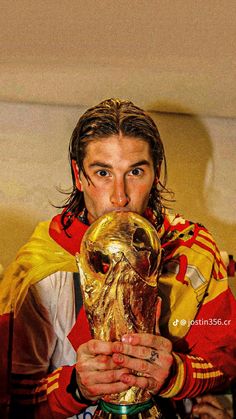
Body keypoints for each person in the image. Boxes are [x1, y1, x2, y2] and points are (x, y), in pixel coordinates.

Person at [0, 98, 235, 419]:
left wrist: (179, 374)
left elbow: (225, 358)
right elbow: (12, 399)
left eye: (135, 171)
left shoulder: (194, 250)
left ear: (156, 173)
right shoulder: (38, 268)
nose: (120, 196)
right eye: (103, 172)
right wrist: (77, 387)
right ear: (79, 175)